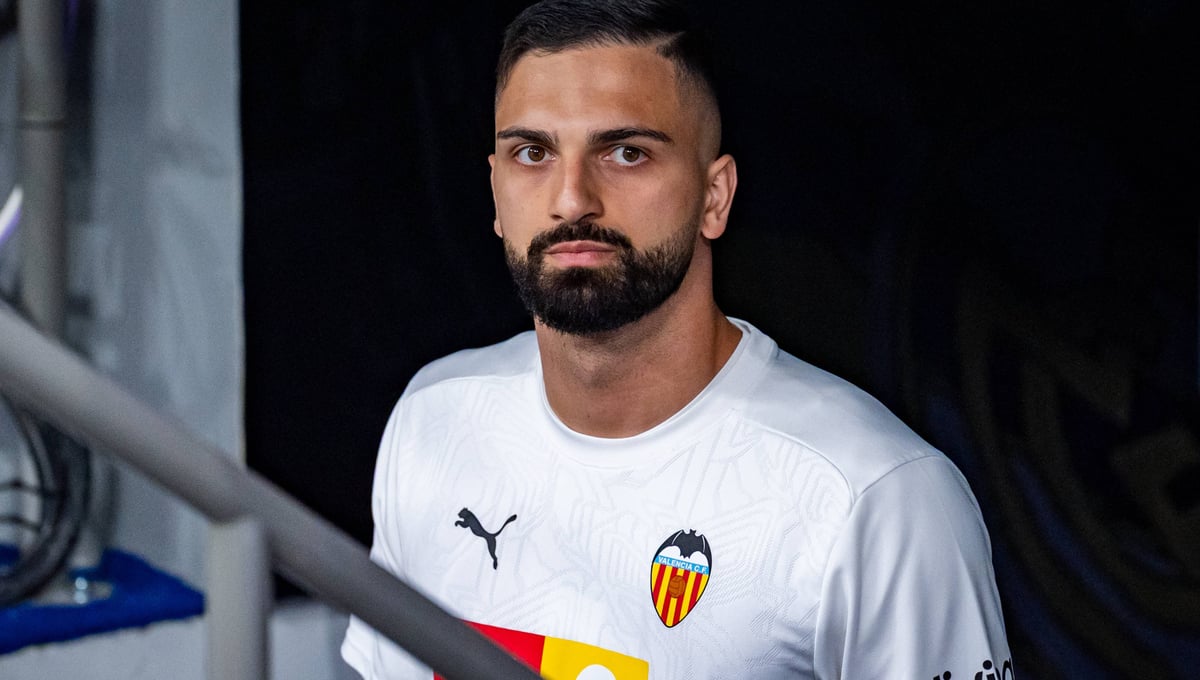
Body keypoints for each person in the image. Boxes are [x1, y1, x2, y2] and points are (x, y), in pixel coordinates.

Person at [342, 1, 1012, 678]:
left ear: (714, 197)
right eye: (533, 153)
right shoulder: (434, 420)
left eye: (626, 153)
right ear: (495, 191)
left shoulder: (873, 497)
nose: (571, 199)